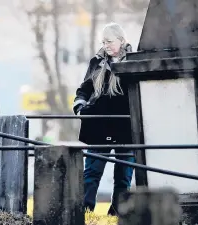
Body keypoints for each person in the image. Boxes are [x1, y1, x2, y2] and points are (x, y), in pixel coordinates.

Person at [72, 22, 135, 216]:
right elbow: (84, 88)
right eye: (103, 42)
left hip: (126, 126)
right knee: (92, 172)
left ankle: (116, 214)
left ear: (122, 41)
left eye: (109, 41)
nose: (106, 45)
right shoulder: (97, 62)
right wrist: (80, 106)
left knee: (124, 175)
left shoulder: (134, 62)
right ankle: (85, 211)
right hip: (99, 125)